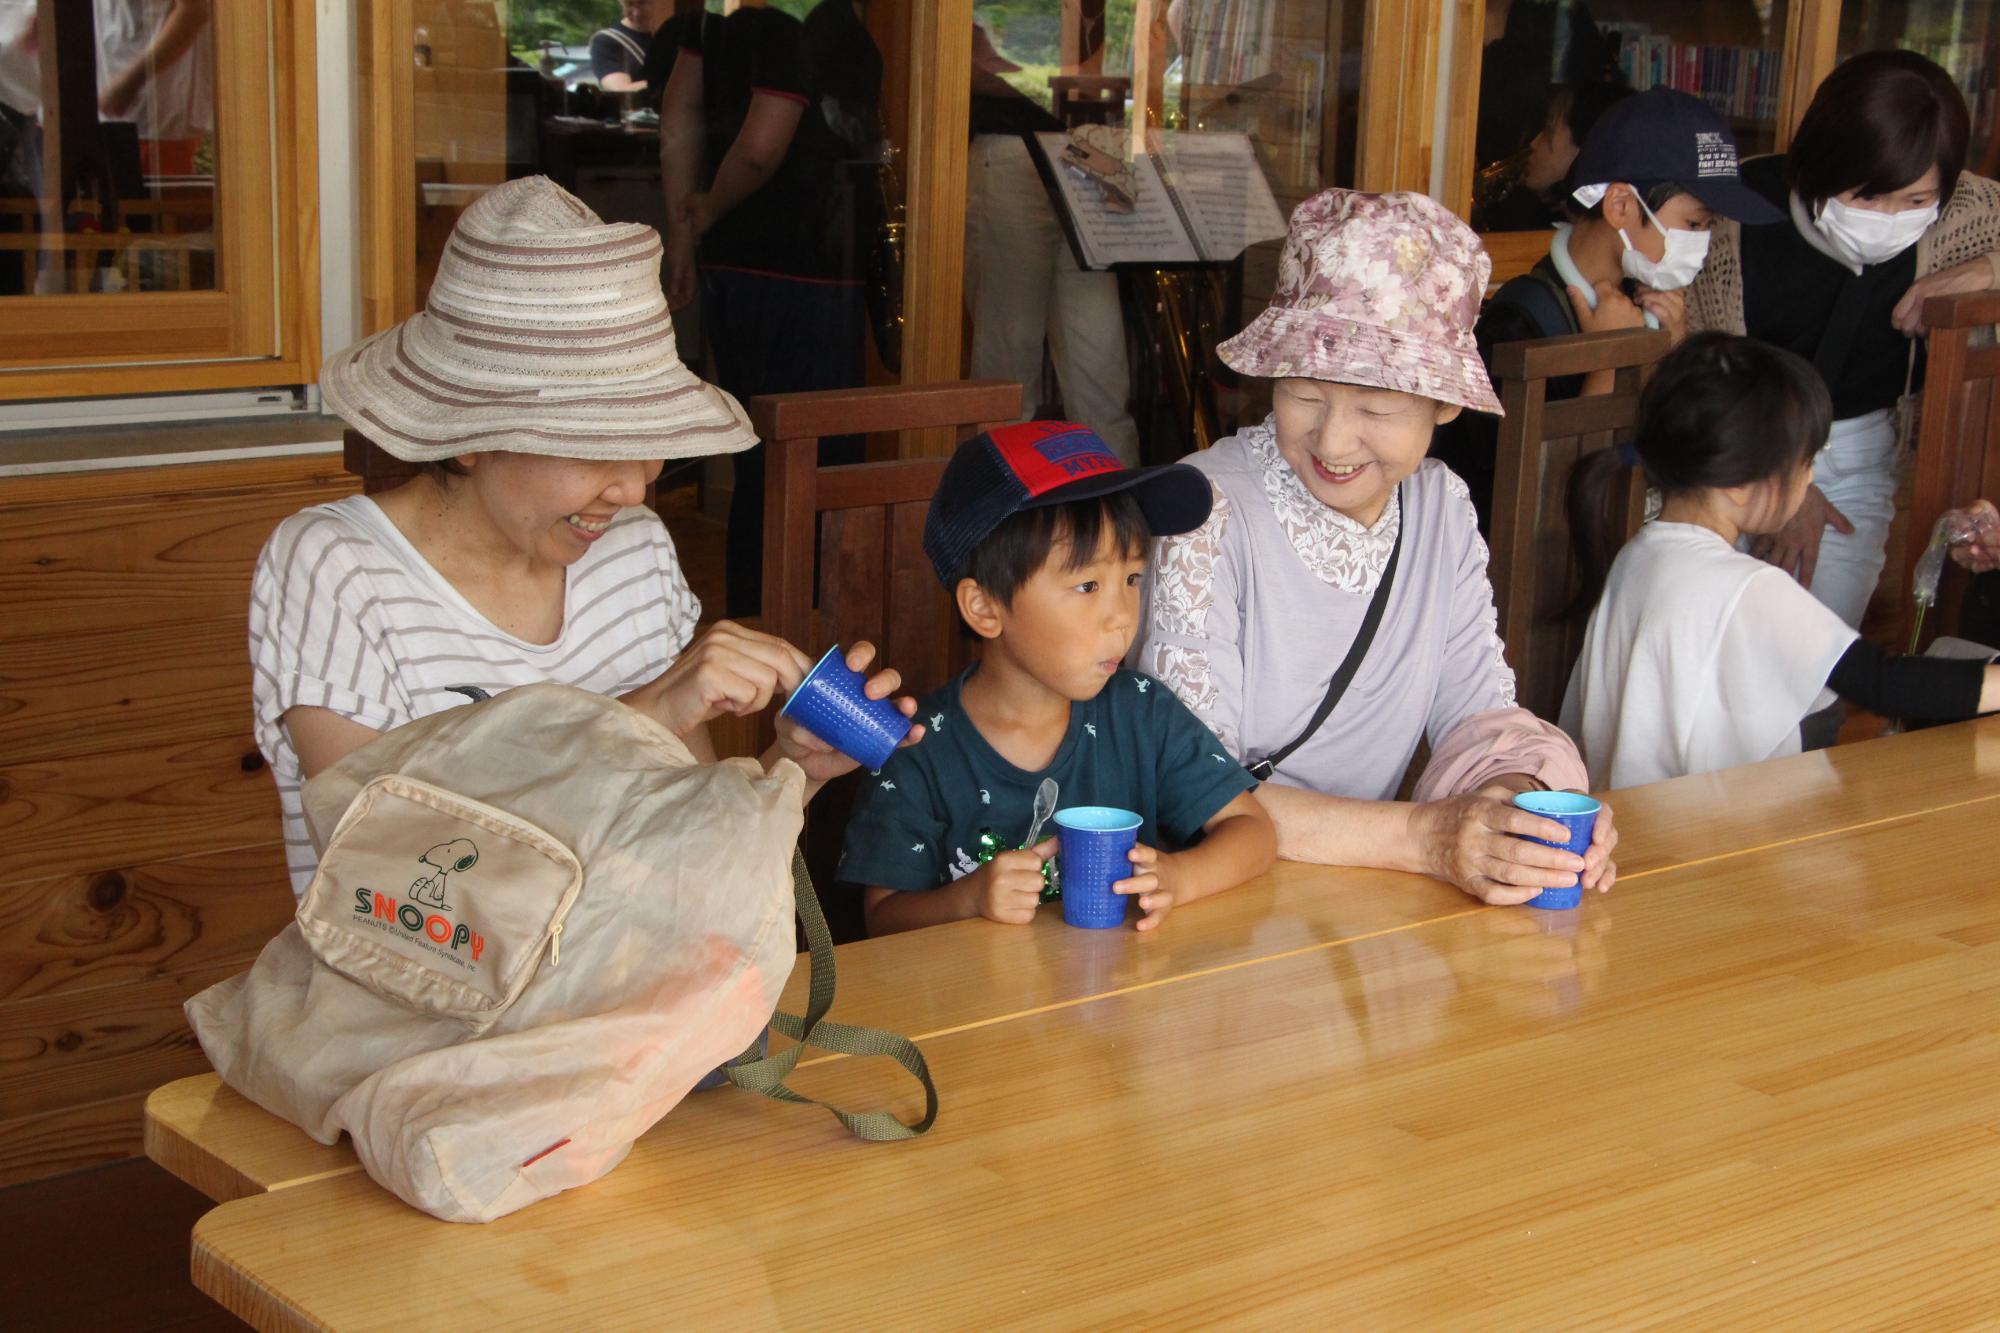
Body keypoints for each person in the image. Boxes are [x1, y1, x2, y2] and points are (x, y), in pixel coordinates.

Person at [253, 177, 919, 896]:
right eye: (593, 445)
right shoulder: (335, 569)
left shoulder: (632, 552)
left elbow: (684, 849)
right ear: (469, 435)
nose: (633, 489)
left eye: (649, 445)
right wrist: (645, 713)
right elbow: (380, 866)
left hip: (628, 991)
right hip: (426, 1003)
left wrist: (791, 769)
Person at [1135, 189, 1618, 908]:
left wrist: (1515, 811)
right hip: (1207, 900)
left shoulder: (1440, 507)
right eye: (1303, 393)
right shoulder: (1202, 507)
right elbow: (1193, 783)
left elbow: (1477, 713)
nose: (1333, 441)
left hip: (1361, 908)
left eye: (1377, 408)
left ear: (1445, 404)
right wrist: (1429, 838)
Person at [839, 421, 1275, 935]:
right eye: (1088, 585)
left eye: (1132, 579)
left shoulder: (1142, 712)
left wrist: (1180, 876)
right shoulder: (917, 749)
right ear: (984, 607)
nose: (1122, 617)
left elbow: (1254, 831)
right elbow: (883, 921)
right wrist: (969, 898)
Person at [1561, 333, 2000, 788]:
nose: (1810, 477)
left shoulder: (1639, 555)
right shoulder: (1744, 585)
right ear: (1739, 485)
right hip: (1703, 839)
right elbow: (1880, 684)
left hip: (1629, 827)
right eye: (1807, 461)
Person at [1687, 51, 2000, 638]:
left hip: (1859, 458)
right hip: (1726, 447)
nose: (1889, 218)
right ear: (1822, 161)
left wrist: (1982, 269)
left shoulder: (1964, 214)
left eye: (1914, 202)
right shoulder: (1737, 209)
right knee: (1713, 648)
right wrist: (1785, 478)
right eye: (1866, 196)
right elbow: (1694, 364)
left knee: (1815, 662)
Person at [1435, 87, 1779, 531]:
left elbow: (1684, 451)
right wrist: (1608, 358)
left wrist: (1674, 352)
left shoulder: (1653, 304)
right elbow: (1526, 493)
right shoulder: (1518, 320)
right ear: (1620, 206)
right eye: (1694, 224)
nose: (1703, 242)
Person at [659, 0, 875, 614]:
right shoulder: (798, 11)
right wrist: (712, 205)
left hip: (736, 262)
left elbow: (680, 110)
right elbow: (761, 144)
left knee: (760, 455)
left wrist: (687, 228)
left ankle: (755, 620)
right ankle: (801, 631)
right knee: (810, 460)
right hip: (806, 260)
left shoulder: (712, 14)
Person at [962, 21, 1142, 464]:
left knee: (1102, 367)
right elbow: (959, 65)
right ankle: (1000, 521)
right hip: (1010, 152)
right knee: (1008, 365)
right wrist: (1063, 80)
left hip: (1086, 158)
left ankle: (1117, 520)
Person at [591, 0, 656, 96]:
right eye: (629, 4)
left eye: (643, 3)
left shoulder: (673, 35)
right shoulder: (607, 41)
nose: (636, 13)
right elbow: (621, 91)